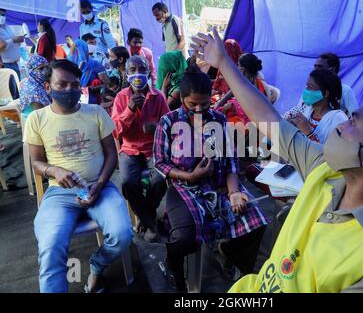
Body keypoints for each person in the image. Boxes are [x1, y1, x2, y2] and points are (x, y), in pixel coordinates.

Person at [192, 28, 363, 293]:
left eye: (353, 123)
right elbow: (271, 120)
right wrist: (223, 63)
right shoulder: (328, 171)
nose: (341, 126)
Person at [153, 65, 269, 292]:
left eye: (204, 104)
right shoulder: (168, 122)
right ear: (182, 99)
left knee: (256, 222)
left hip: (220, 186)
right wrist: (189, 175)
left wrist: (235, 192)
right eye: (192, 104)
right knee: (184, 238)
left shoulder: (218, 119)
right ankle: (172, 265)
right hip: (184, 188)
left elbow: (231, 162)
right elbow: (160, 163)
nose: (199, 109)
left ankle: (231, 255)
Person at [23, 59, 133, 293]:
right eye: (61, 84)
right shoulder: (37, 119)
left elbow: (111, 155)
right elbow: (36, 162)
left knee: (123, 234)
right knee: (51, 247)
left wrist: (100, 184)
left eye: (74, 85)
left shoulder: (95, 112)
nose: (69, 90)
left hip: (100, 188)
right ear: (47, 87)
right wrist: (53, 170)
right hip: (60, 194)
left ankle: (97, 265)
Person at [111, 55, 169, 242]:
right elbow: (116, 132)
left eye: (141, 70)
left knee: (159, 180)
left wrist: (157, 126)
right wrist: (128, 109)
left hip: (153, 150)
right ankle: (151, 223)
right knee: (128, 183)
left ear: (148, 72)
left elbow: (170, 125)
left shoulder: (158, 97)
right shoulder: (121, 98)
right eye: (133, 71)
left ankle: (146, 216)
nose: (138, 74)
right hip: (130, 151)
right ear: (126, 74)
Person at [284, 53, 358, 118]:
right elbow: (298, 110)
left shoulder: (336, 118)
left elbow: (355, 116)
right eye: (315, 66)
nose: (315, 70)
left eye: (319, 67)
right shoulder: (309, 93)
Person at [216, 53, 279, 125]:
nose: (237, 67)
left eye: (238, 65)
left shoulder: (256, 87)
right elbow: (229, 95)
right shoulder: (249, 81)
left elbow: (252, 109)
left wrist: (230, 106)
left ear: (242, 70)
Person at [286, 69, 348, 144]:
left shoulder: (338, 120)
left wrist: (309, 132)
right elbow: (284, 119)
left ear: (325, 93)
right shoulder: (305, 109)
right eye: (307, 86)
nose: (306, 90)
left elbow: (335, 153)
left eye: (310, 87)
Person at [68, 39, 109, 104]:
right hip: (71, 103)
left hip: (92, 104)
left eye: (78, 50)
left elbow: (107, 84)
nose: (76, 53)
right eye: (74, 50)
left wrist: (93, 88)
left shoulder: (95, 65)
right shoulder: (66, 67)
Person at [211, 39, 243, 105]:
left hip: (233, 99)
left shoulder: (240, 68)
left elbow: (217, 83)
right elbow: (218, 81)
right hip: (235, 98)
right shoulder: (242, 64)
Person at [19, 55, 50, 119]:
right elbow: (40, 115)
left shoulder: (37, 82)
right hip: (35, 119)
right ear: (31, 70)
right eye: (41, 68)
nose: (45, 71)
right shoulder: (33, 89)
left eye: (47, 67)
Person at [0, 8, 25, 78]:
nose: (3, 16)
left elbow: (12, 39)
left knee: (16, 86)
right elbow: (1, 46)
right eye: (1, 14)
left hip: (15, 63)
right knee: (11, 87)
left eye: (4, 15)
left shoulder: (6, 26)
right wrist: (13, 40)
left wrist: (18, 40)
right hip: (6, 64)